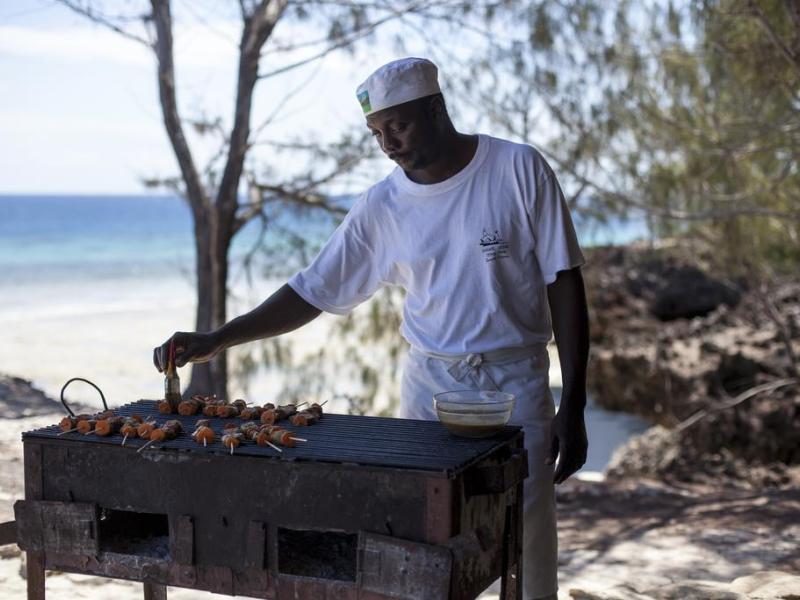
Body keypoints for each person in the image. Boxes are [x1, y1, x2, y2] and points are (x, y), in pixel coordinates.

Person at [153, 57, 589, 600]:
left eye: (399, 126)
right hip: (430, 392)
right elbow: (313, 289)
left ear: (436, 108)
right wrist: (218, 338)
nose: (388, 144)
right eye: (377, 133)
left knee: (522, 535)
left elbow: (564, 281)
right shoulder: (383, 206)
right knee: (430, 538)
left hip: (515, 386)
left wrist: (574, 401)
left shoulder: (517, 169)